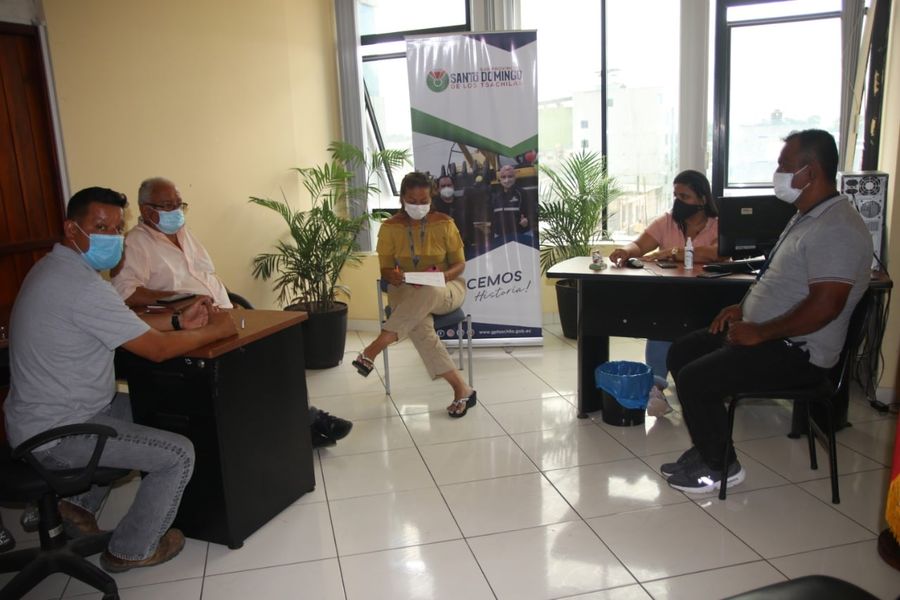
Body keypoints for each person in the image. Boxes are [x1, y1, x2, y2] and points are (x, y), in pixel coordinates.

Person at [4, 186, 238, 572]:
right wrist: (217, 329)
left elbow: (124, 322)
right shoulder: (81, 287)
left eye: (116, 229)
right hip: (58, 434)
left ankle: (75, 506)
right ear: (71, 228)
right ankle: (131, 549)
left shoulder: (54, 268)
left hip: (52, 416)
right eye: (100, 227)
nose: (111, 238)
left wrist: (179, 320)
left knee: (156, 409)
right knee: (178, 453)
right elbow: (156, 349)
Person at [662, 130, 872, 494]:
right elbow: (779, 280)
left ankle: (721, 468)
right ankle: (710, 447)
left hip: (799, 352)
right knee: (683, 351)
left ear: (809, 172)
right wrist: (741, 308)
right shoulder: (806, 216)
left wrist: (759, 331)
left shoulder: (837, 228)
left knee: (697, 379)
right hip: (771, 336)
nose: (778, 173)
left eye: (784, 166)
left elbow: (826, 306)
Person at [111, 177, 352, 448]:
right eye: (168, 206)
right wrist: (178, 298)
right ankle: (308, 423)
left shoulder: (184, 234)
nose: (176, 211)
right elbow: (126, 293)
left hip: (223, 313)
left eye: (180, 204)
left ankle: (300, 424)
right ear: (146, 210)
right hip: (193, 325)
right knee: (256, 368)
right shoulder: (135, 243)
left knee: (279, 354)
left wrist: (226, 299)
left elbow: (205, 275)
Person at [352, 172, 477, 417]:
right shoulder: (389, 227)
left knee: (430, 290)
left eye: (423, 201)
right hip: (405, 288)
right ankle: (462, 389)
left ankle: (375, 347)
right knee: (420, 326)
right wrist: (392, 275)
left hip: (446, 287)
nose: (418, 206)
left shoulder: (445, 223)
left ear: (431, 199)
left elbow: (460, 264)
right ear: (402, 198)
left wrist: (443, 277)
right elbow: (385, 268)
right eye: (412, 200)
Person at [609, 170, 721, 416]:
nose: (679, 201)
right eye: (676, 195)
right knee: (661, 322)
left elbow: (717, 253)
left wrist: (673, 253)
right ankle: (655, 389)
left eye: (685, 196)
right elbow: (640, 244)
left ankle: (701, 384)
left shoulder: (718, 224)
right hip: (672, 295)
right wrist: (626, 251)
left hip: (709, 297)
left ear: (703, 199)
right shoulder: (667, 222)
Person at [490, 164, 536, 246]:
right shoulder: (495, 196)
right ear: (500, 179)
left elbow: (534, 213)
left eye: (510, 176)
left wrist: (527, 221)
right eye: (503, 177)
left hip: (521, 236)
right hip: (500, 238)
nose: (507, 180)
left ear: (515, 177)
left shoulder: (522, 193)